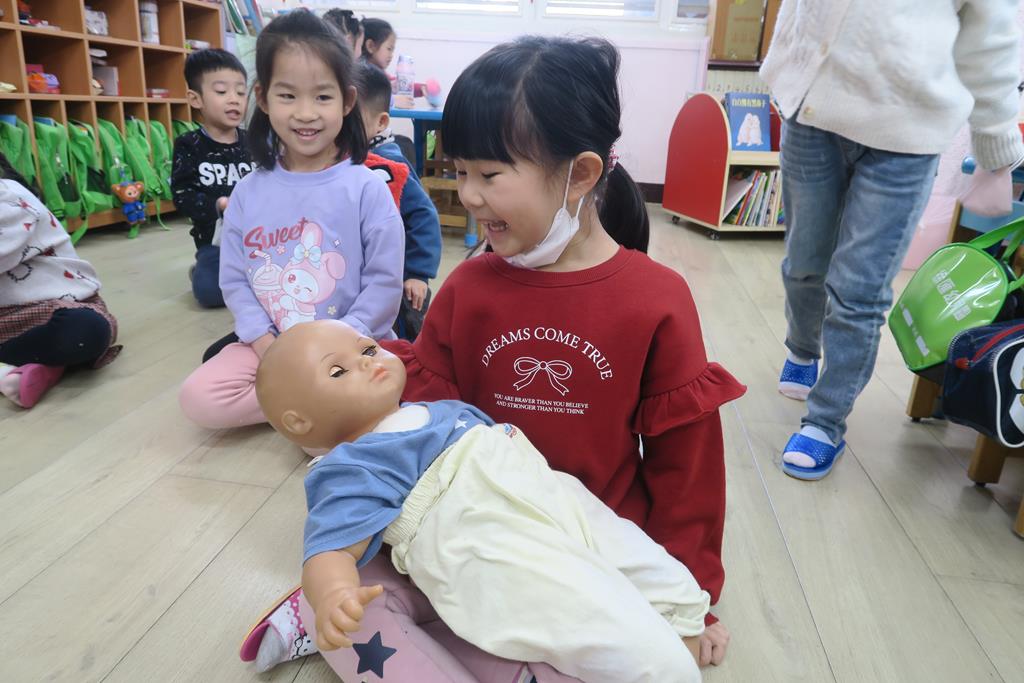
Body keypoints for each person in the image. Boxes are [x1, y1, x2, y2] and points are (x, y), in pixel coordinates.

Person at [256, 319, 708, 682]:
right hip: (492, 541)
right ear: (299, 423)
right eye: (338, 371)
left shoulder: (438, 409)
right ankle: (663, 665)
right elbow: (329, 548)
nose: (366, 361)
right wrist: (333, 593)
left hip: (555, 498)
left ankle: (683, 617)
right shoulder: (352, 466)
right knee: (583, 613)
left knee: (639, 556)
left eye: (368, 349)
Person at [760, 0, 1024, 480]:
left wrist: (996, 144)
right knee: (804, 265)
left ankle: (824, 422)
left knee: (859, 290)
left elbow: (991, 37)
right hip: (813, 110)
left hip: (908, 133)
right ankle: (802, 347)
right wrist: (788, 71)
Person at [178, 10, 404, 430]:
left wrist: (335, 347)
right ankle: (320, 407)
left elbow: (385, 282)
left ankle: (312, 407)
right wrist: (265, 342)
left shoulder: (366, 188)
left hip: (353, 349)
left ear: (347, 101)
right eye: (287, 96)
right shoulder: (248, 192)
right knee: (200, 398)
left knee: (398, 377)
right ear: (263, 99)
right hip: (273, 345)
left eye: (322, 97)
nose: (305, 113)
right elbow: (235, 280)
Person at [0, 155, 120, 408]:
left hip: (51, 306)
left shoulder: (9, 196)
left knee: (85, 330)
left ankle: (23, 363)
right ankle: (41, 366)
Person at [357, 62, 442, 340]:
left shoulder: (390, 165)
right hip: (357, 279)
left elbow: (423, 215)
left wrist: (417, 273)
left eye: (352, 119)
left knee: (398, 336)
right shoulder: (338, 162)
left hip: (397, 278)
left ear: (380, 122)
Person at [171, 48, 253, 309]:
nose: (234, 100)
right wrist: (218, 204)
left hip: (258, 242)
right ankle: (200, 270)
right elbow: (182, 196)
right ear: (196, 99)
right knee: (210, 293)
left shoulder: (253, 142)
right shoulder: (189, 144)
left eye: (240, 92)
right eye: (221, 91)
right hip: (216, 245)